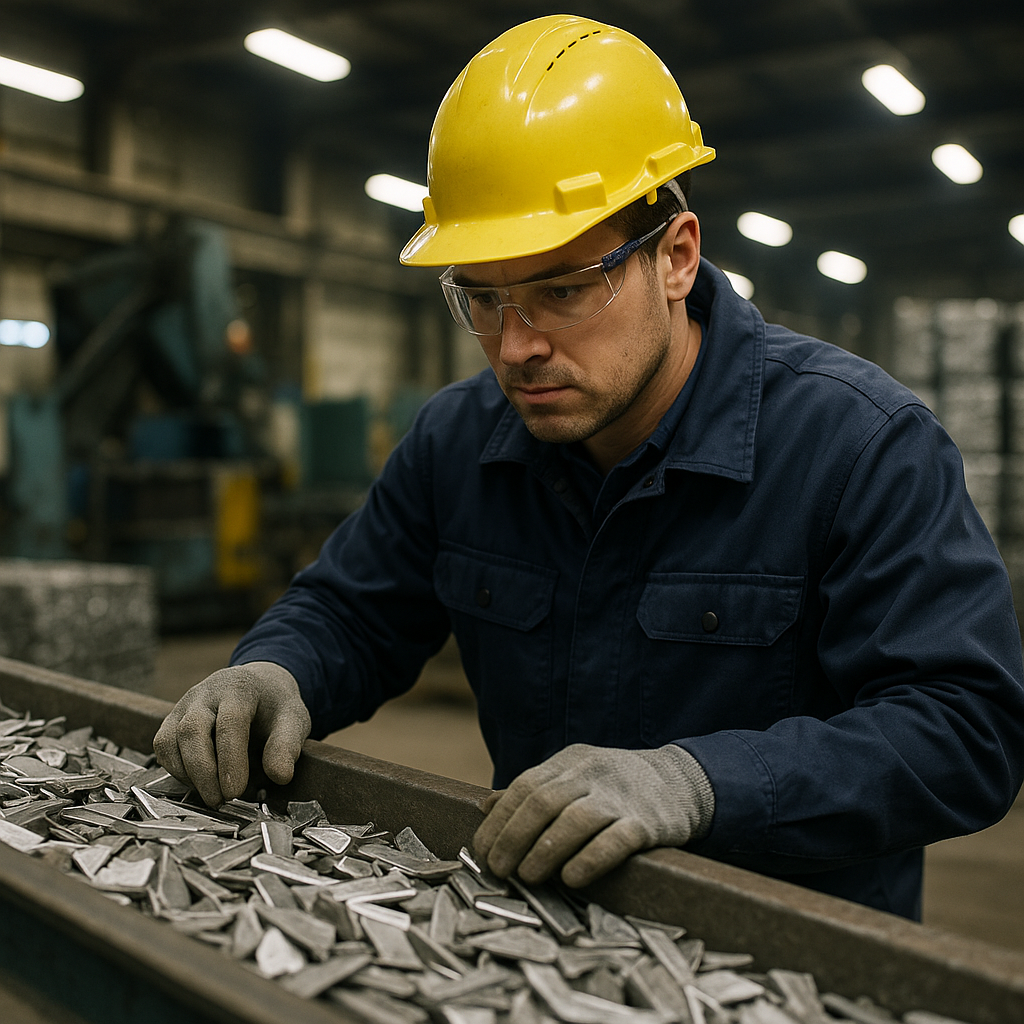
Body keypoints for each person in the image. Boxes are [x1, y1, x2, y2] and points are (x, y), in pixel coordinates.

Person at [154, 14, 1024, 920]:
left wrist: (700, 785)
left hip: (786, 963)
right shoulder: (459, 442)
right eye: (483, 299)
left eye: (563, 291)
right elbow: (350, 610)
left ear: (676, 257)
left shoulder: (858, 446)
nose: (517, 346)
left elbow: (967, 730)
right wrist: (274, 673)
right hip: (539, 938)